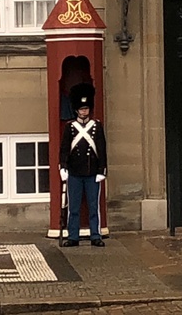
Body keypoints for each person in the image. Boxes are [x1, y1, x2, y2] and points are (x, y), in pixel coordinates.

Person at [59, 82, 107, 247]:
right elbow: (64, 148)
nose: (84, 111)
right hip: (74, 173)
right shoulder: (70, 127)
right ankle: (73, 236)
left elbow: (101, 148)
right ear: (77, 110)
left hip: (92, 172)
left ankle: (96, 235)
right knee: (74, 207)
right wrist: (63, 166)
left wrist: (102, 170)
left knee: (94, 207)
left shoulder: (96, 126)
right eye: (81, 109)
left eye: (86, 109)